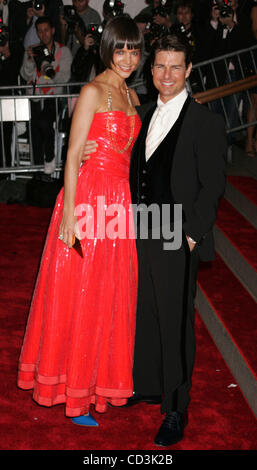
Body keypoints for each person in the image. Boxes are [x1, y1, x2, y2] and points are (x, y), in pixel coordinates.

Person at [84, 32, 227, 445]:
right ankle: (145, 385)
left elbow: (213, 183)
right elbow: (115, 158)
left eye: (176, 67)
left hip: (176, 234)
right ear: (152, 70)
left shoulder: (205, 121)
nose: (167, 74)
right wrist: (88, 150)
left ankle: (176, 408)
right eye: (160, 65)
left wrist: (193, 234)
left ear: (189, 70)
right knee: (141, 311)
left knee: (175, 320)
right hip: (136, 226)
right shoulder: (140, 113)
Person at [17, 15, 143, 426]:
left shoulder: (131, 96)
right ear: (107, 47)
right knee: (81, 290)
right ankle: (73, 390)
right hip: (88, 199)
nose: (128, 57)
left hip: (118, 203)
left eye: (134, 49)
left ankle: (96, 386)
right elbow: (72, 156)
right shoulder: (92, 90)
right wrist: (70, 215)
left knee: (108, 291)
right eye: (121, 48)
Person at [20, 16, 72, 174]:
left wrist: (45, 74)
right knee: (34, 129)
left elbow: (63, 77)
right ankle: (36, 169)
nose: (44, 34)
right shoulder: (33, 50)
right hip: (35, 97)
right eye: (40, 31)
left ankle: (49, 158)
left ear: (53, 31)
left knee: (44, 122)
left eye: (46, 30)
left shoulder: (63, 51)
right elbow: (25, 74)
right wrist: (30, 60)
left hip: (54, 98)